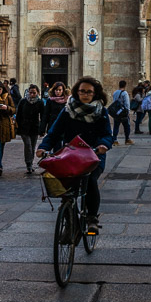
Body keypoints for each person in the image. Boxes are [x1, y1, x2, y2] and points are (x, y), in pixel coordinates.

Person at [37, 76, 113, 232]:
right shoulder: (68, 111)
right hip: (71, 156)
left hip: (93, 155)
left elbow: (107, 134)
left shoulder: (101, 112)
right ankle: (68, 219)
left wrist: (103, 144)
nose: (85, 94)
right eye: (82, 91)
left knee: (90, 180)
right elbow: (54, 133)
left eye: (89, 92)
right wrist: (43, 147)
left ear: (95, 94)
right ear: (76, 92)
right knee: (66, 187)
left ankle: (91, 217)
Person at [15, 84, 46, 174]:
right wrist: (17, 127)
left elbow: (43, 116)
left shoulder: (40, 103)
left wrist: (42, 129)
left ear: (38, 93)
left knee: (32, 146)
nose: (32, 94)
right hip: (24, 127)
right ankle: (28, 163)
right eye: (30, 92)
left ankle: (30, 164)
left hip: (34, 127)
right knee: (28, 145)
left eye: (34, 93)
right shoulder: (23, 101)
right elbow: (19, 114)